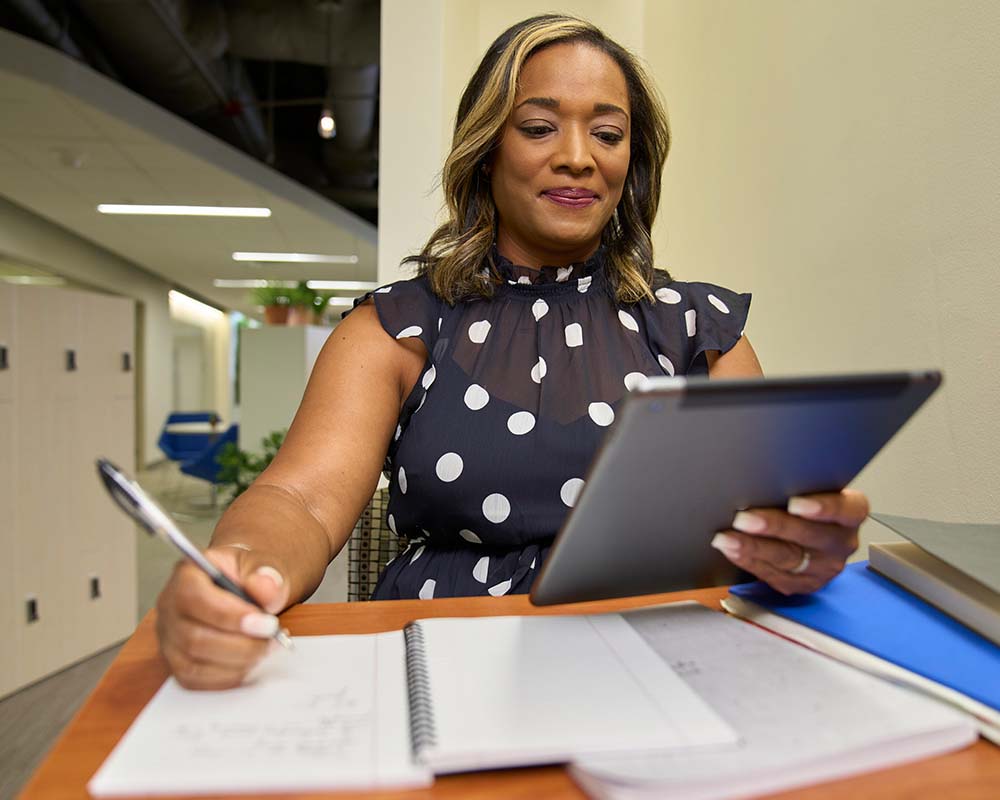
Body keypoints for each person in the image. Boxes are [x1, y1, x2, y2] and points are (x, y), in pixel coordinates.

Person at [155, 14, 868, 689]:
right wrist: (245, 568)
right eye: (538, 127)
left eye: (609, 134)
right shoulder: (398, 327)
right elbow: (300, 499)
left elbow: (760, 530)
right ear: (487, 148)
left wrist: (797, 551)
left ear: (632, 163)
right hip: (442, 666)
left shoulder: (698, 331)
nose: (578, 157)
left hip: (655, 672)